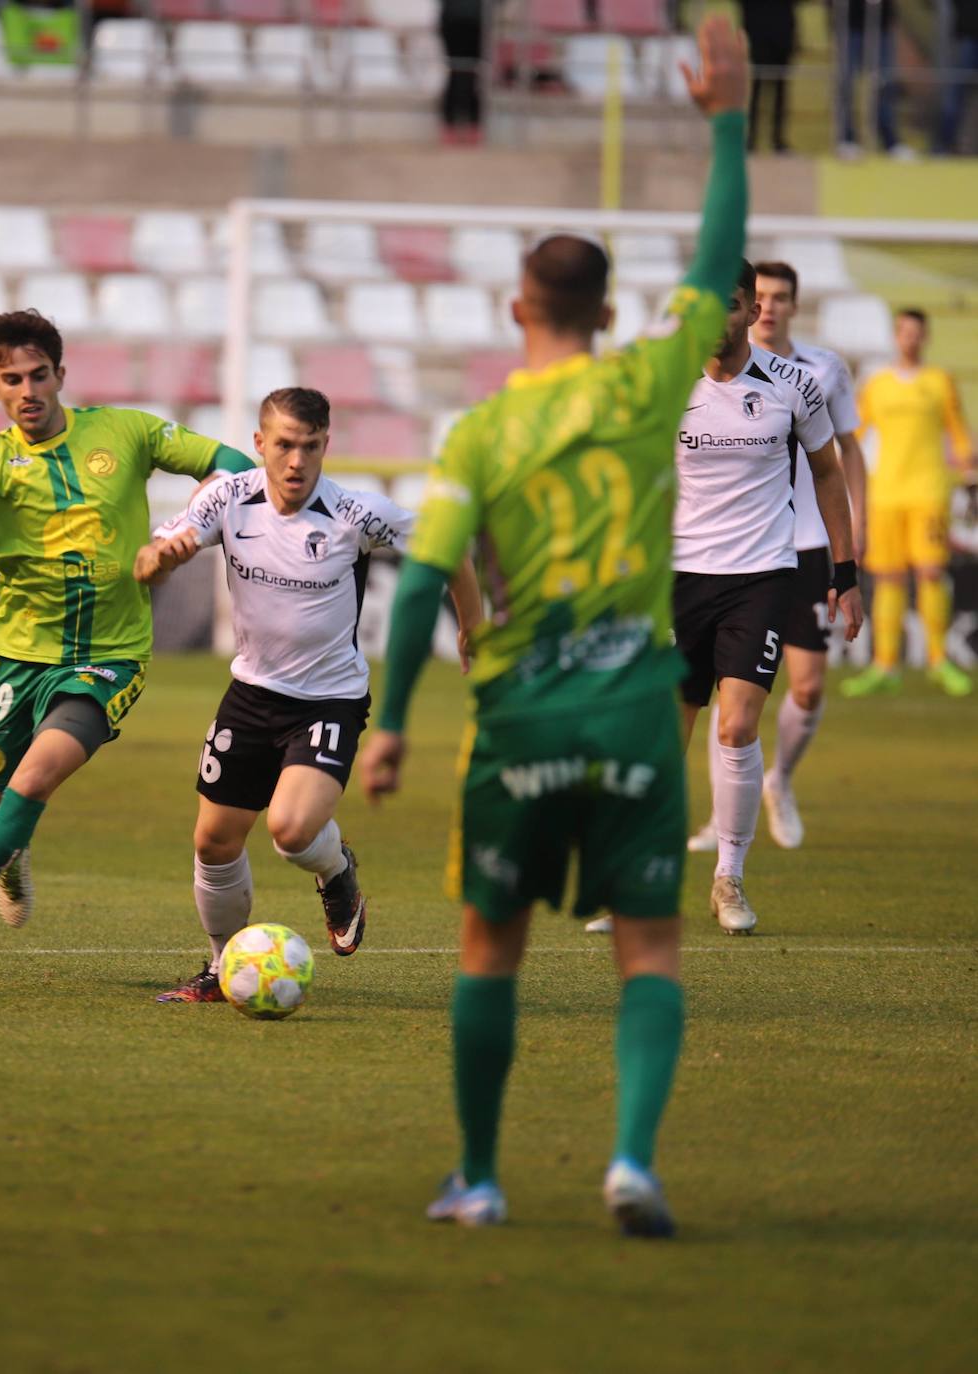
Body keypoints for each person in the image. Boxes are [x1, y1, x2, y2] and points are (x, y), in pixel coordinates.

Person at [358, 14, 750, 1237]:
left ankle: (477, 1179)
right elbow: (721, 256)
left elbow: (421, 586)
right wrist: (726, 120)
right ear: (610, 306)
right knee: (648, 949)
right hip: (638, 705)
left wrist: (390, 726)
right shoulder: (651, 379)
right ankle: (632, 1160)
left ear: (517, 302)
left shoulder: (480, 434)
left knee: (491, 947)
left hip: (520, 712)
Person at [0, 310, 257, 973]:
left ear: (60, 375)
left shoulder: (124, 430)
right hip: (20, 655)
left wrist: (183, 527)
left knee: (35, 779)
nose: (28, 391)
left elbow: (234, 464)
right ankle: (8, 862)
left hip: (108, 658)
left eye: (39, 375)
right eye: (11, 379)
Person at [134, 388, 481, 1002]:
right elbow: (157, 554)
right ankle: (220, 970)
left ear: (327, 445)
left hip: (328, 700)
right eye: (285, 446)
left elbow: (445, 545)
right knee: (213, 841)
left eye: (311, 447)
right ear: (260, 445)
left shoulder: (354, 514)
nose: (296, 462)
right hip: (250, 692)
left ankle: (336, 869)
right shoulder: (228, 498)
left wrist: (472, 626)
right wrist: (161, 558)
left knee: (291, 831)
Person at [589, 260, 863, 939]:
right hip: (679, 580)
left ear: (748, 312)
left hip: (762, 578)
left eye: (730, 305)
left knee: (737, 726)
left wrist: (846, 571)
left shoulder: (793, 385)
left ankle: (728, 879)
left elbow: (829, 474)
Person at [688, 260, 868, 853]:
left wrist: (849, 563)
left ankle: (770, 798)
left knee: (767, 707)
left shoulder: (810, 376)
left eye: (743, 303)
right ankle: (701, 836)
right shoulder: (670, 383)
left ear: (761, 309)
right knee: (680, 730)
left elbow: (837, 462)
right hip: (684, 573)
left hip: (784, 557)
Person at [843, 309, 976, 698]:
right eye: (905, 333)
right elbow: (853, 433)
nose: (911, 340)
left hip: (929, 490)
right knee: (888, 578)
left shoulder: (939, 381)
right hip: (885, 492)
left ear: (926, 337)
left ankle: (938, 660)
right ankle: (885, 665)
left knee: (932, 571)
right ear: (896, 336)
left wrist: (969, 474)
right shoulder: (877, 385)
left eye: (918, 333)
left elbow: (958, 432)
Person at [834, 0, 913, 159]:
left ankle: (889, 140)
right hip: (849, 23)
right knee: (846, 81)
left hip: (881, 25)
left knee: (884, 82)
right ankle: (846, 138)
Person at [739, 0, 797, 152]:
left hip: (781, 35)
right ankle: (751, 139)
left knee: (780, 93)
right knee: (757, 91)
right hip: (758, 36)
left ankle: (777, 140)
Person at [438, 0, 487, 145]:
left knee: (462, 74)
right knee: (466, 74)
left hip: (466, 19)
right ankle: (467, 129)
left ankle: (459, 128)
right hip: (472, 19)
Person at [933, 1, 978, 155]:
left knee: (955, 95)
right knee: (955, 94)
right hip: (966, 35)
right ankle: (943, 147)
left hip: (965, 35)